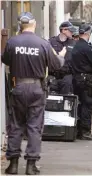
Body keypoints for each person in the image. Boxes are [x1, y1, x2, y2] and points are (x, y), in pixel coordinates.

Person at [1, 12, 65, 175]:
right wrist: (61, 56)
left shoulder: (12, 42)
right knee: (34, 126)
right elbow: (56, 65)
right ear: (34, 24)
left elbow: (6, 60)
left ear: (20, 25)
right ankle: (31, 165)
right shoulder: (42, 44)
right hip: (37, 89)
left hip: (18, 87)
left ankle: (13, 165)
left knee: (15, 126)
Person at [70, 24, 92, 141]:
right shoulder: (86, 48)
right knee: (87, 105)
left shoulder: (75, 47)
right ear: (88, 34)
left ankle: (79, 131)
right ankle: (85, 131)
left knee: (80, 105)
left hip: (77, 79)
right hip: (86, 80)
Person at [48, 21, 76, 94]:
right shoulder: (51, 42)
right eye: (70, 30)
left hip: (67, 78)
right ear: (63, 30)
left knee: (66, 102)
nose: (72, 33)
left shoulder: (73, 43)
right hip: (53, 77)